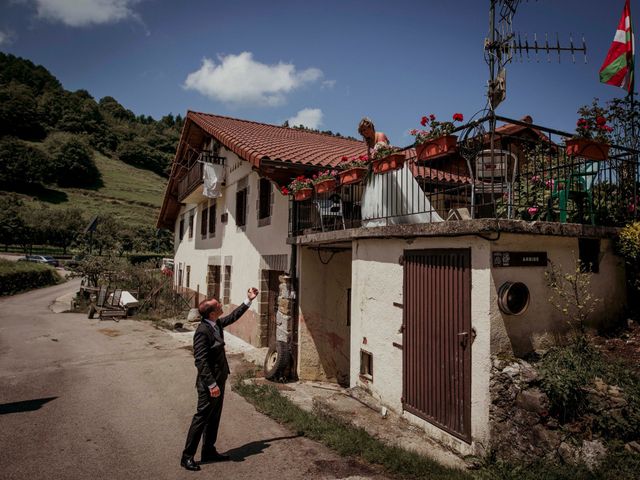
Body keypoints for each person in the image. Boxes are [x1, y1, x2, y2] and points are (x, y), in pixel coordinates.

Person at [180, 287, 259, 471]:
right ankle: (187, 457)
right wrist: (212, 384)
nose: (221, 305)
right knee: (201, 418)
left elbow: (233, 317)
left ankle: (208, 451)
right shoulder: (202, 331)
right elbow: (200, 360)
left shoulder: (215, 324)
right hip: (209, 384)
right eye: (218, 305)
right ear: (212, 312)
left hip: (219, 380)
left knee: (214, 418)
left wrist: (249, 300)